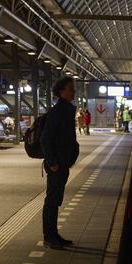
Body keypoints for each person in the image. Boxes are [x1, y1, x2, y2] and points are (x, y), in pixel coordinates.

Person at [39, 77, 80, 249]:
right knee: (52, 201)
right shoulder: (58, 112)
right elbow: (45, 139)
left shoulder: (66, 110)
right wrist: (52, 162)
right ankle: (49, 237)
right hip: (56, 164)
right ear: (61, 91)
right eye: (71, 88)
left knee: (56, 200)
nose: (74, 91)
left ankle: (54, 235)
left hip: (62, 163)